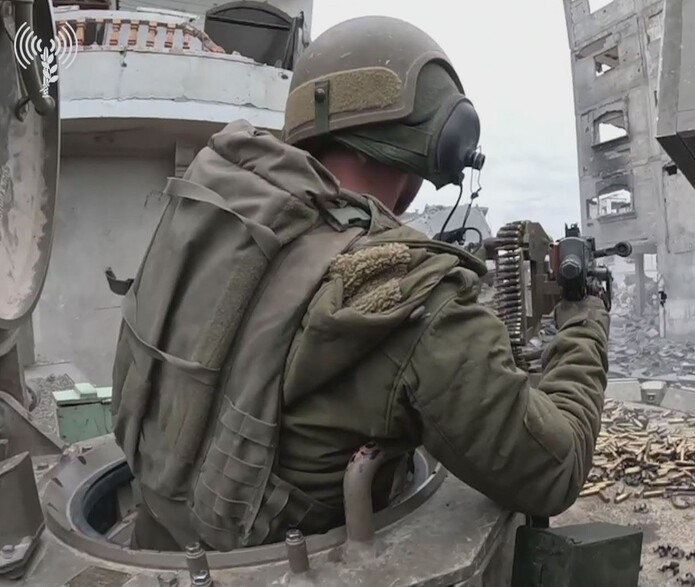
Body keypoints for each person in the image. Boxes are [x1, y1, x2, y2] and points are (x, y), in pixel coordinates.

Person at [112, 15, 610, 551]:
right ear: (441, 140)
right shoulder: (411, 293)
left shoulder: (218, 221)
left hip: (158, 543)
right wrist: (584, 324)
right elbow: (552, 472)